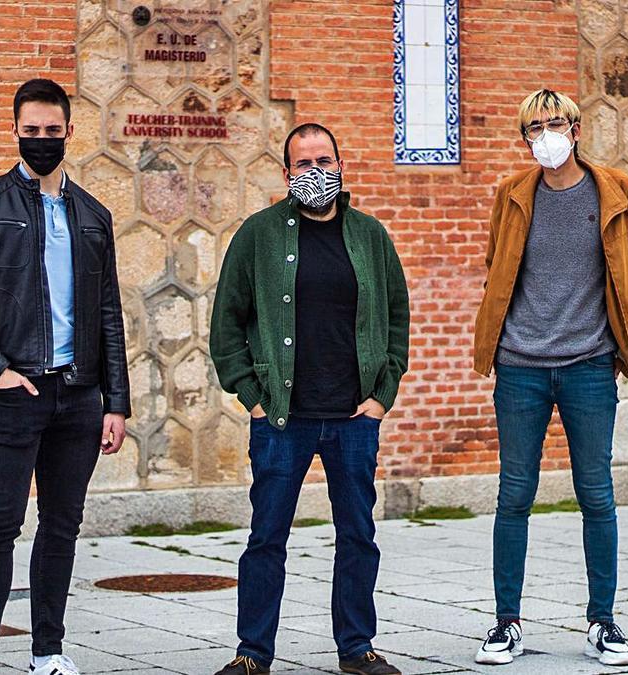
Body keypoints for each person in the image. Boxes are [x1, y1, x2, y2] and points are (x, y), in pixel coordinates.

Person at [0, 78, 131, 675]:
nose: (43, 140)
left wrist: (115, 402)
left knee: (62, 528)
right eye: (32, 131)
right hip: (13, 393)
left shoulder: (94, 217)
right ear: (16, 130)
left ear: (70, 131)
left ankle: (48, 650)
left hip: (78, 396)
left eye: (53, 131)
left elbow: (108, 313)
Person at [208, 123, 410, 675]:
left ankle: (356, 648)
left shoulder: (370, 236)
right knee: (266, 538)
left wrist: (381, 396)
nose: (314, 172)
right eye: (303, 164)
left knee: (358, 537)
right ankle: (252, 653)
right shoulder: (258, 235)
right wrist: (250, 395)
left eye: (324, 161)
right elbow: (226, 327)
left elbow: (396, 320)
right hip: (281, 419)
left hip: (352, 418)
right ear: (286, 174)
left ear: (341, 166)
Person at [470, 89, 628, 667]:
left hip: (588, 367)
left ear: (576, 130)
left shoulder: (618, 193)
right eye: (533, 129)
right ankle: (505, 624)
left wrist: (620, 337)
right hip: (522, 367)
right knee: (514, 496)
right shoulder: (510, 195)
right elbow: (494, 269)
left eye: (554, 124)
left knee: (596, 495)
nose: (545, 136)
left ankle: (603, 623)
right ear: (525, 138)